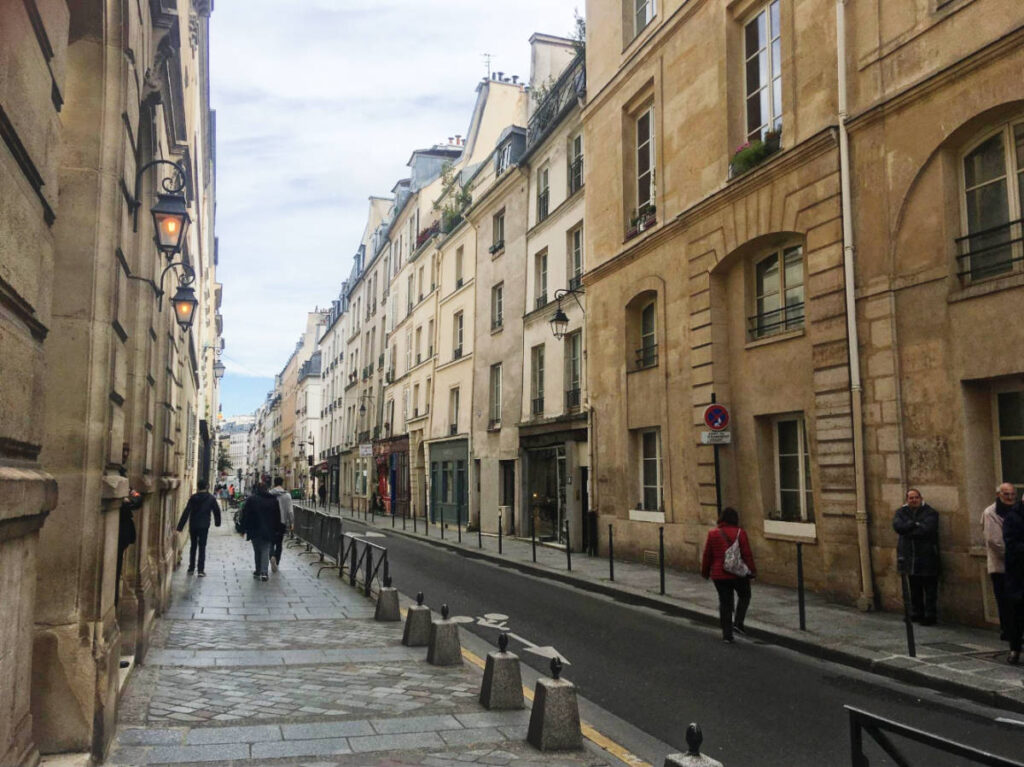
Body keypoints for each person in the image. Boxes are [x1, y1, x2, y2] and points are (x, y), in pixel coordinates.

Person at [701, 507, 756, 643]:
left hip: (719, 574)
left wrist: (705, 572)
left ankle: (727, 635)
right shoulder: (740, 533)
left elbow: (707, 555)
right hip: (738, 573)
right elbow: (747, 554)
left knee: (725, 603)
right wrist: (752, 571)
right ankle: (738, 622)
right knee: (745, 595)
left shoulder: (713, 534)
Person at [892, 488, 940, 625]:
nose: (914, 500)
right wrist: (914, 524)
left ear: (921, 498)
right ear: (907, 500)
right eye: (911, 498)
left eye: (916, 497)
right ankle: (916, 613)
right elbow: (897, 527)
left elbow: (927, 529)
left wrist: (909, 529)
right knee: (914, 588)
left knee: (930, 589)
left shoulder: (930, 512)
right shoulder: (901, 512)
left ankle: (930, 615)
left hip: (927, 556)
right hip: (909, 556)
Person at [983, 483, 1016, 640]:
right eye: (1006, 494)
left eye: (1012, 494)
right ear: (998, 495)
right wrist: (1013, 555)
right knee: (1004, 600)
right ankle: (1008, 631)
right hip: (1001, 565)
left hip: (1016, 565)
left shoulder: (1016, 511)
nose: (1010, 498)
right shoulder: (991, 513)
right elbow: (994, 541)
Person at [176, 478, 221, 576]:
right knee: (202, 547)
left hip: (194, 524)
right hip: (204, 525)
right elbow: (216, 511)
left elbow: (187, 511)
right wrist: (217, 523)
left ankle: (191, 568)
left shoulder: (193, 497)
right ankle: (200, 570)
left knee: (193, 546)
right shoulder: (211, 498)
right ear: (207, 487)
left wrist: (180, 526)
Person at [242, 478, 280, 581]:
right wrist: (277, 529)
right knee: (265, 550)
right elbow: (277, 516)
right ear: (267, 489)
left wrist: (243, 528)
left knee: (257, 550)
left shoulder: (251, 499)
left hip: (254, 529)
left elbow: (245, 514)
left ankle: (258, 570)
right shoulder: (273, 500)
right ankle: (264, 572)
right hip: (268, 530)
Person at [1003, 498, 1024, 665]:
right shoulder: (1013, 517)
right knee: (1016, 614)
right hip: (1018, 574)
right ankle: (1015, 649)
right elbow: (1010, 543)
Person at [269, 476, 294, 573]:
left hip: (271, 522)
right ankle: (277, 560)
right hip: (282, 522)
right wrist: (292, 523)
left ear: (274, 483)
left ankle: (271, 556)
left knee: (271, 542)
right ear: (282, 483)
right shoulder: (287, 496)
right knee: (279, 543)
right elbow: (290, 511)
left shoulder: (270, 494)